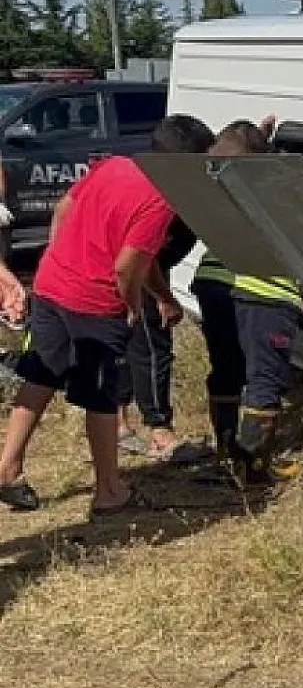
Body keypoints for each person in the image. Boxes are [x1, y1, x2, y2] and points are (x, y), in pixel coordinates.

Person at [0, 113, 214, 516]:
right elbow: (125, 267)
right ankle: (110, 491)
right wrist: (132, 305)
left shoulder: (113, 165)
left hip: (50, 285)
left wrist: (162, 296)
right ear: (184, 161)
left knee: (40, 375)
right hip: (94, 304)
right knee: (101, 397)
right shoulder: (160, 201)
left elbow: (64, 210)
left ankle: (8, 468)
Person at [192, 117, 303, 487]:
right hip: (265, 291)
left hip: (214, 282)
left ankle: (228, 456)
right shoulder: (277, 189)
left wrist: (259, 135)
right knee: (264, 380)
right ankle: (256, 469)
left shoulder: (217, 179)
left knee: (226, 370)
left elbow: (236, 147)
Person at [113, 117, 216, 462]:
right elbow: (146, 256)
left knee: (125, 345)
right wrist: (165, 299)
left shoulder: (135, 170)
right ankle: (160, 432)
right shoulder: (160, 193)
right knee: (152, 348)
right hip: (139, 274)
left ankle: (119, 423)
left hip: (129, 269)